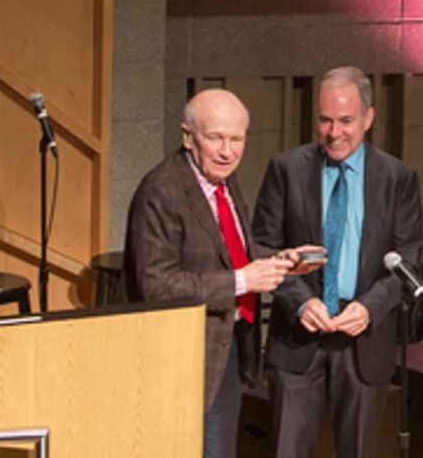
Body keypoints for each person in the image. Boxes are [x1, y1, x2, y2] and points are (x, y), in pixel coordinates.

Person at [123, 88, 318, 458]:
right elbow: (157, 285)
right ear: (187, 137)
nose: (227, 151)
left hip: (223, 348)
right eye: (215, 138)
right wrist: (243, 281)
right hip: (178, 356)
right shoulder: (161, 190)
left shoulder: (222, 180)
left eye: (236, 139)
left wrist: (281, 260)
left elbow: (232, 251)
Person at [251, 66, 423, 458]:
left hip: (364, 340)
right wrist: (300, 301)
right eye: (325, 120)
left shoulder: (398, 178)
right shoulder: (286, 169)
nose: (334, 132)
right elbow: (263, 248)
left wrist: (370, 307)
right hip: (297, 339)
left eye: (345, 121)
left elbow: (409, 261)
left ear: (368, 118)